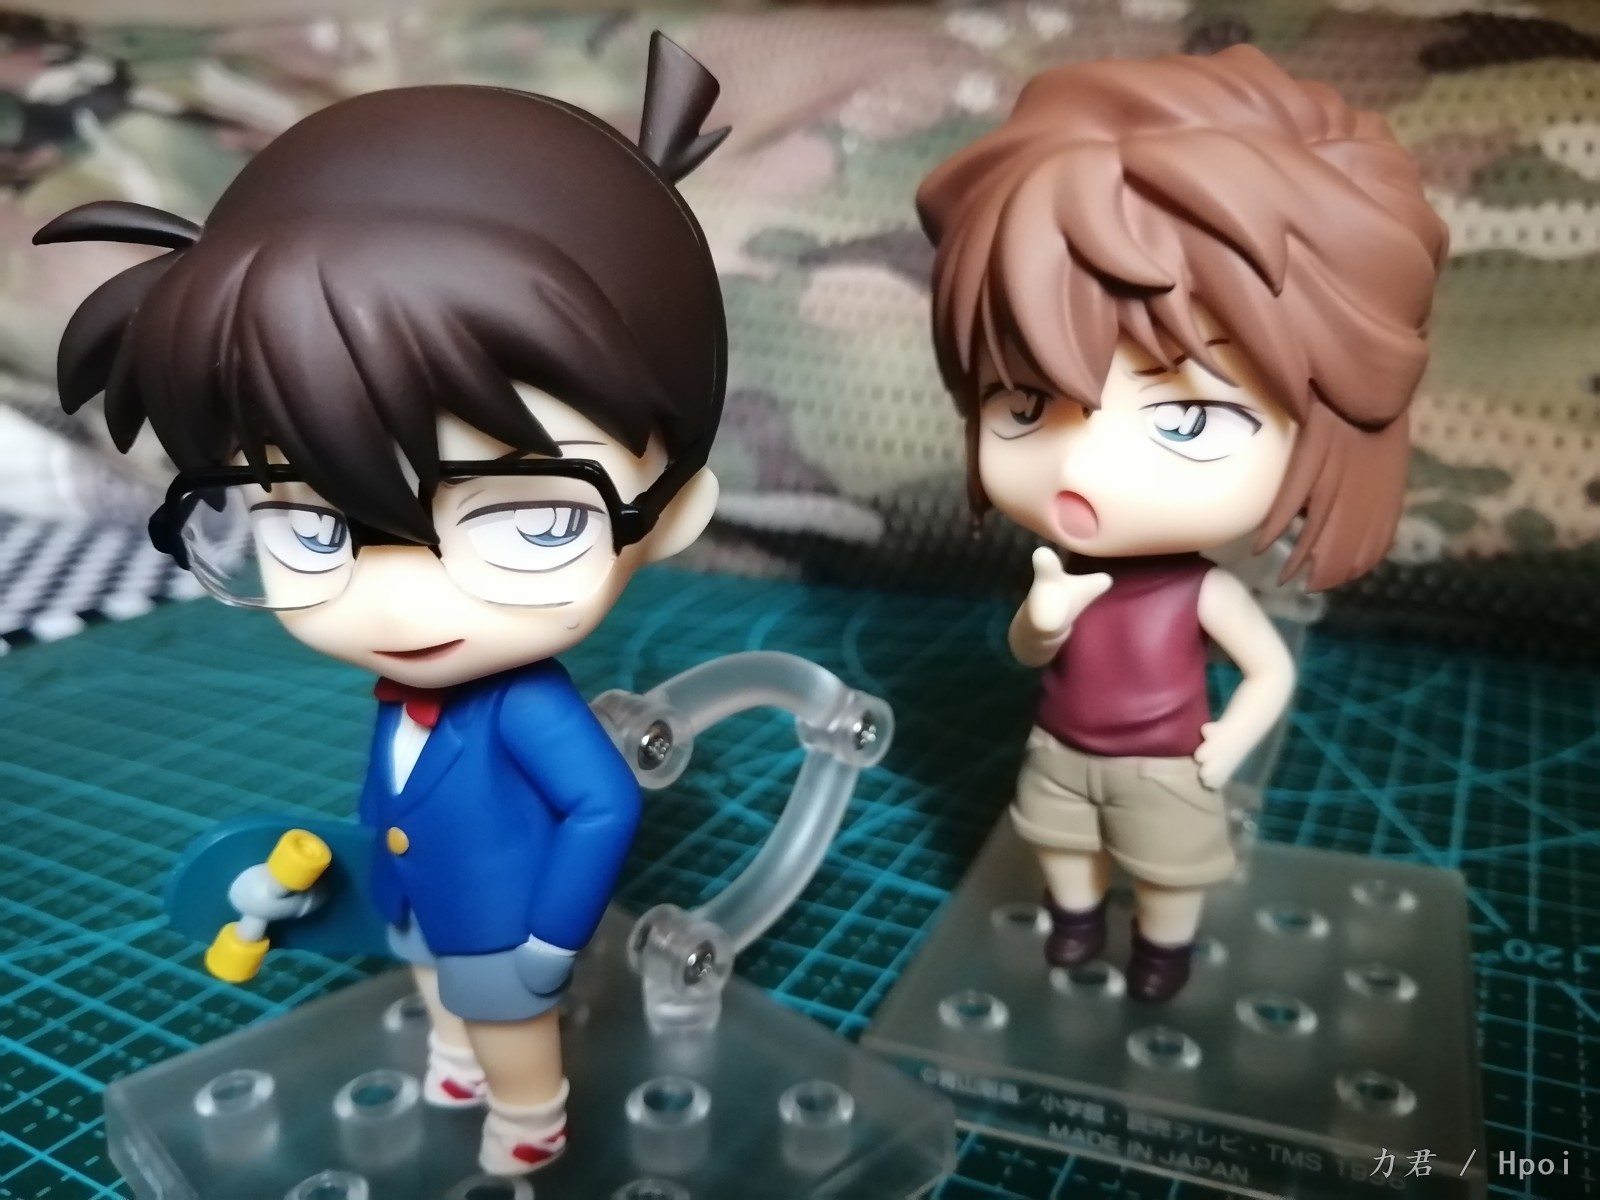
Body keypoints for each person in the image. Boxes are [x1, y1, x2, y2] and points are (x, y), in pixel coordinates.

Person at [35, 33, 729, 1174]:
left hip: (504, 926)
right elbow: (394, 789)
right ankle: (459, 1049)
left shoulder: (525, 709)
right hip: (422, 906)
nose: (394, 598)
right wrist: (371, 873)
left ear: (673, 513)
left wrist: (547, 945)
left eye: (528, 520)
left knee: (507, 1029)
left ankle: (531, 1120)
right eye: (313, 527)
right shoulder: (402, 692)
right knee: (448, 995)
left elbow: (601, 808)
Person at [917, 45, 1447, 1002]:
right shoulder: (1066, 570)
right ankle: (1076, 922)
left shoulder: (1202, 589)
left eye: (1187, 419)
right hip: (1060, 749)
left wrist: (1228, 740)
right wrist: (1043, 619)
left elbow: (1269, 670)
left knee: (1170, 870)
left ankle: (1163, 952)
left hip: (1167, 765)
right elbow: (1030, 651)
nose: (1079, 468)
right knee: (1061, 845)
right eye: (1024, 406)